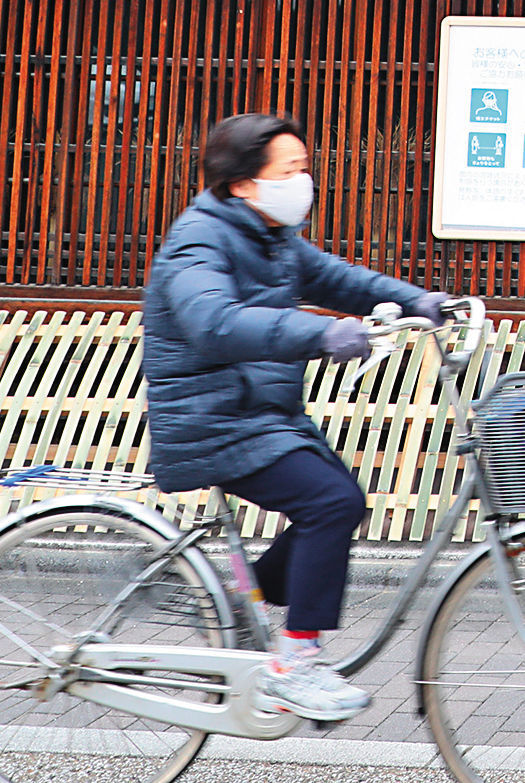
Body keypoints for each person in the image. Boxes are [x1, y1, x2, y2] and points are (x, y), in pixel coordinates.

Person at [142, 113, 444, 722]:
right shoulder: (199, 241)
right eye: (291, 170)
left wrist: (415, 299)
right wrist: (321, 333)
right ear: (243, 183)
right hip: (212, 417)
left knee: (340, 501)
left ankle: (240, 590)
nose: (303, 181)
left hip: (257, 410)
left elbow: (334, 277)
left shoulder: (270, 235)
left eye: (305, 168)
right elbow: (215, 322)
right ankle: (295, 663)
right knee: (328, 501)